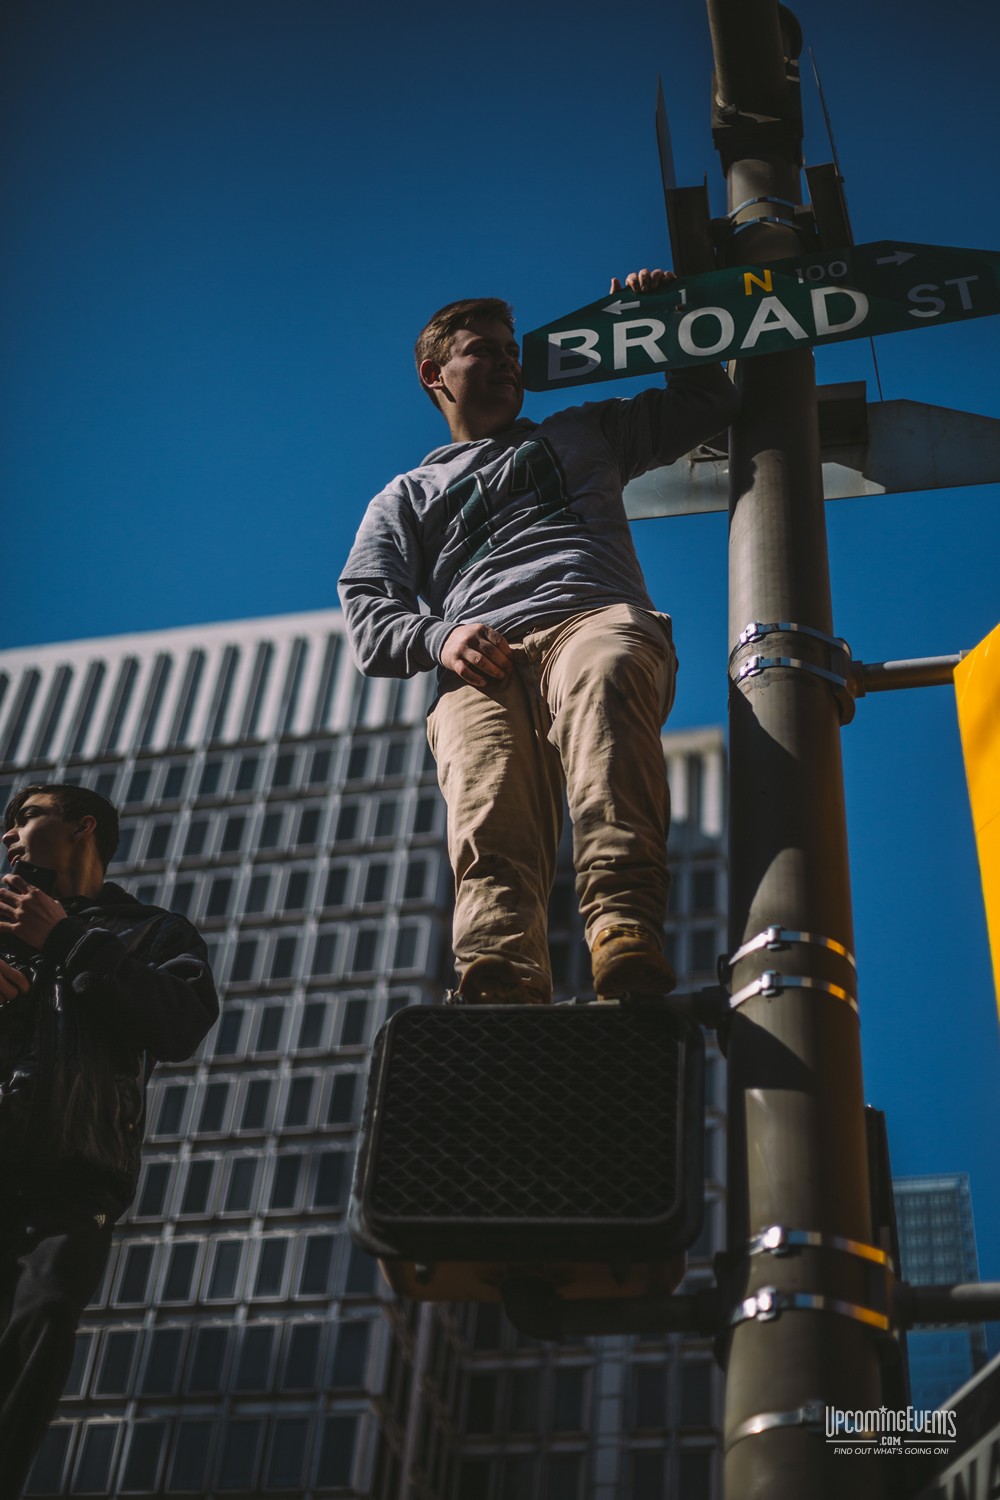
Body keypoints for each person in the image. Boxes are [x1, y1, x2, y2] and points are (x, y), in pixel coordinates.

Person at [339, 269, 739, 1005]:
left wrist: (667, 316)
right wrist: (439, 638)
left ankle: (623, 930)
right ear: (435, 374)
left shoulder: (584, 432)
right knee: (488, 807)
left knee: (610, 681)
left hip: (591, 615)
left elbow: (706, 404)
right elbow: (368, 608)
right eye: (482, 351)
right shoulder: (405, 496)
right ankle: (499, 974)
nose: (505, 361)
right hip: (483, 661)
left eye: (509, 350)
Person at [0, 784, 218, 1497]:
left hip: (76, 1174)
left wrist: (65, 939)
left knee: (40, 1326)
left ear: (80, 828)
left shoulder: (152, 932)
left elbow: (180, 1024)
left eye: (25, 817)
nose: (9, 835)